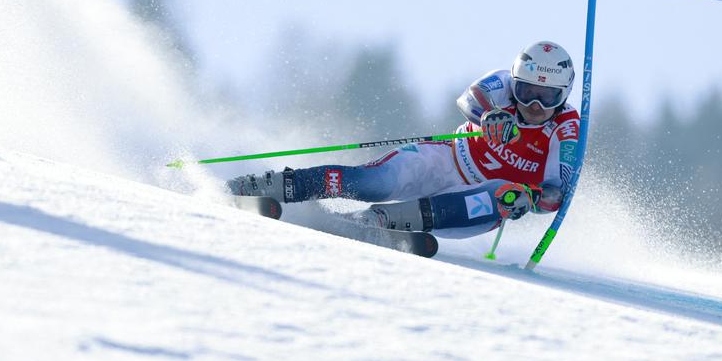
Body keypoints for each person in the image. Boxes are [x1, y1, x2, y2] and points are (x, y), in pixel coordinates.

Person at [228, 41, 581, 239]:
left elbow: (555, 196)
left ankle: (378, 222)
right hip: (446, 159)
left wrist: (532, 197)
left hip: (477, 205)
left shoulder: (565, 129)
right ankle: (271, 186)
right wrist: (490, 115)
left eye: (546, 97)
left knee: (509, 192)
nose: (534, 105)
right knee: (374, 182)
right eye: (526, 92)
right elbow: (469, 99)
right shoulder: (503, 83)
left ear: (562, 96)